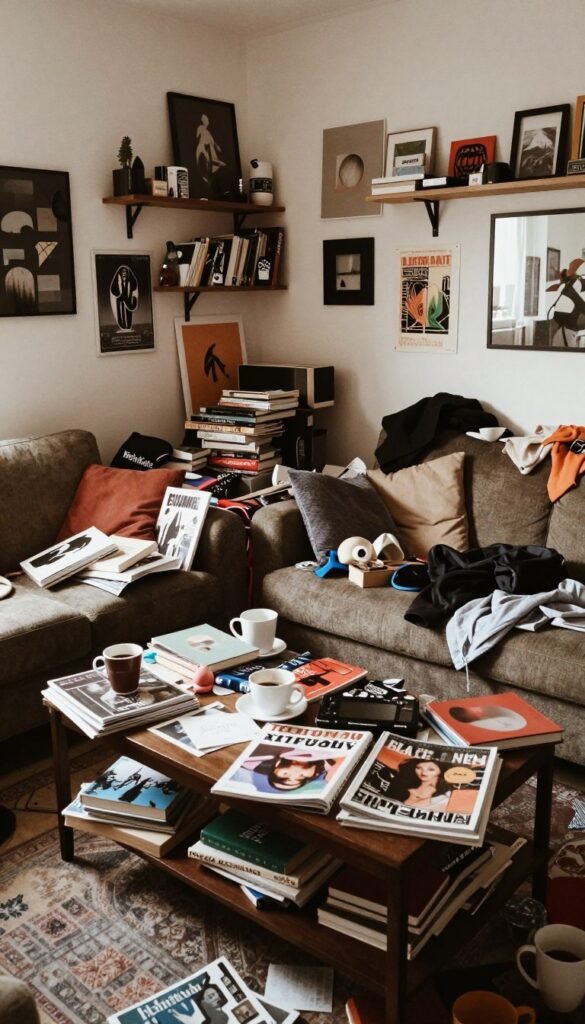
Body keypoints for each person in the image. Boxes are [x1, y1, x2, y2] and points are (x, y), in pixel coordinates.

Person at [233, 750, 335, 795]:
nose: (295, 772)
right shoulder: (329, 763)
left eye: (286, 774)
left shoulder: (275, 753)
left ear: (276, 765)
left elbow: (246, 762)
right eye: (301, 777)